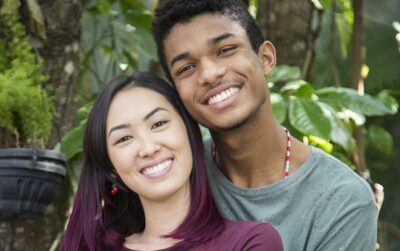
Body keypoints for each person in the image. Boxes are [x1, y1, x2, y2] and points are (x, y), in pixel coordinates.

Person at [151, 0, 378, 250]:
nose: (208, 74)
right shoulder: (173, 175)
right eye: (187, 67)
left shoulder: (340, 200)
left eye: (225, 50)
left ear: (266, 58)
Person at [61, 72, 283, 251]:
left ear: (188, 130)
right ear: (111, 165)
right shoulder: (91, 246)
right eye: (124, 138)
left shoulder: (250, 242)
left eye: (158, 124)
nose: (148, 148)